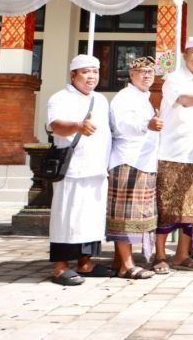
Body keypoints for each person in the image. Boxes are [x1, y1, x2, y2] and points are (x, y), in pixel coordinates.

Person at [153, 37, 193, 273]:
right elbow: (182, 100)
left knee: (191, 209)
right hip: (173, 152)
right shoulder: (175, 79)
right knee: (167, 205)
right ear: (185, 54)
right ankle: (159, 255)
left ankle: (182, 255)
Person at [46, 54, 113, 285]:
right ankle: (60, 266)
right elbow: (54, 125)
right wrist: (77, 126)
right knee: (67, 217)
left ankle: (85, 263)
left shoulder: (101, 100)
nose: (91, 76)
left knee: (90, 219)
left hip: (96, 169)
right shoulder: (60, 98)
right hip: (72, 169)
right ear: (73, 74)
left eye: (95, 71)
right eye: (85, 72)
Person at [106, 56, 163, 280]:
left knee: (139, 215)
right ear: (131, 74)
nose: (147, 76)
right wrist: (145, 125)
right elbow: (121, 125)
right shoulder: (125, 97)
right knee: (125, 216)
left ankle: (121, 261)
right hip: (127, 161)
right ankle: (127, 266)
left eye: (150, 72)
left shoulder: (144, 98)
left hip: (144, 163)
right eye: (141, 72)